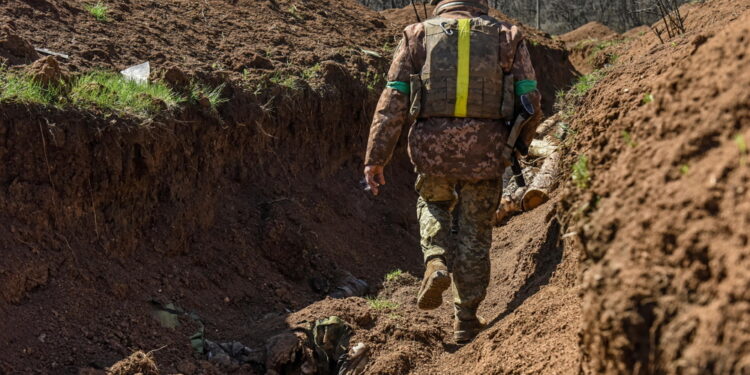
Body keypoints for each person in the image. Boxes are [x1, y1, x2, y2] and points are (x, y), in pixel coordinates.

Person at [363, 0, 542, 343]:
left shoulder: (416, 34)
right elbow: (529, 98)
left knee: (432, 203)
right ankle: (466, 320)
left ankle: (435, 261)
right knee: (476, 233)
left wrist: (376, 157)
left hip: (433, 152)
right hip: (487, 152)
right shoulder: (507, 35)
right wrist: (519, 144)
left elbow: (393, 101)